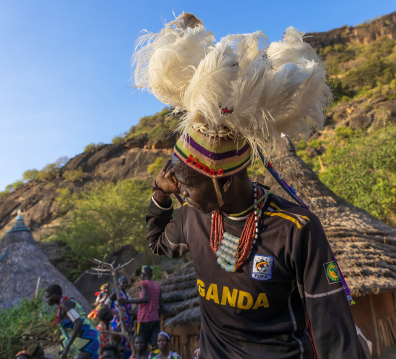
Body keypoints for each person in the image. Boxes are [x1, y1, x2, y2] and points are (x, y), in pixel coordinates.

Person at [134, 12, 365, 358]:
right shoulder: (193, 219)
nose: (179, 191)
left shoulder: (295, 231)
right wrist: (158, 192)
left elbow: (334, 333)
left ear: (222, 182)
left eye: (186, 184)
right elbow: (156, 244)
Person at [45, 284, 100, 359]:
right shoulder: (63, 305)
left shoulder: (65, 304)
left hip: (88, 341)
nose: (47, 300)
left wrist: (67, 346)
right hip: (83, 342)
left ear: (56, 294)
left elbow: (78, 322)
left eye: (48, 297)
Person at [125, 267, 161, 350]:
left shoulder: (143, 284)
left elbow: (145, 299)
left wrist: (127, 301)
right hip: (155, 319)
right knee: (155, 345)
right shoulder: (158, 286)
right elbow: (161, 303)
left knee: (141, 344)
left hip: (143, 319)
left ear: (143, 274)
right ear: (151, 274)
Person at [104, 277, 132, 356]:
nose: (125, 284)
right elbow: (105, 306)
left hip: (127, 322)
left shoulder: (126, 293)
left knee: (127, 341)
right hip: (118, 322)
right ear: (119, 284)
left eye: (126, 283)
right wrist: (115, 313)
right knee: (119, 340)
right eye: (123, 283)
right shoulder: (116, 293)